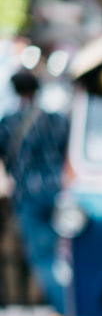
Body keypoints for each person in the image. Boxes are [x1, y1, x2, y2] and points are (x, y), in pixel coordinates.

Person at [1, 68, 66, 301]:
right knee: (61, 254)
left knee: (42, 255)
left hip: (28, 195)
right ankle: (58, 302)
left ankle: (60, 306)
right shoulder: (56, 119)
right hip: (59, 194)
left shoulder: (8, 122)